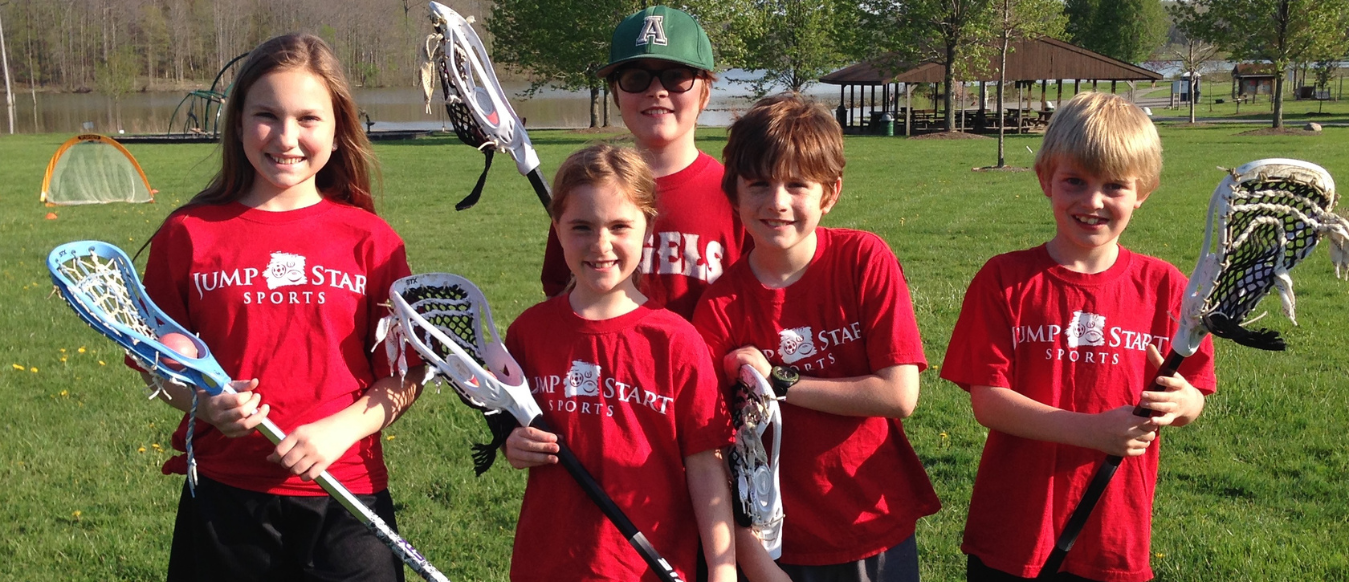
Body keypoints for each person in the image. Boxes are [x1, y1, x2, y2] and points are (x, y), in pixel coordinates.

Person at [132, 33, 423, 582]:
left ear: (337, 132)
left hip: (347, 498)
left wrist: (339, 431)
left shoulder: (372, 240)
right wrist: (201, 398)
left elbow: (405, 376)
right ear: (239, 122)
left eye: (308, 119)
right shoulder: (188, 234)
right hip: (227, 500)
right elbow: (160, 366)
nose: (287, 137)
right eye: (267, 115)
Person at [940, 92, 1218, 582]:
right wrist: (1091, 430)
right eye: (1075, 181)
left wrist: (1184, 402)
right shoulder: (1005, 280)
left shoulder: (1167, 288)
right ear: (1046, 180)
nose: (1093, 202)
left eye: (1114, 186)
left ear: (1143, 191)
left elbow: (1194, 398)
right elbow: (988, 401)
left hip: (1112, 531)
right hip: (1015, 530)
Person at [693, 93, 940, 582]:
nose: (777, 202)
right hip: (780, 543)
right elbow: (712, 454)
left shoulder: (862, 260)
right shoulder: (719, 306)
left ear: (829, 193)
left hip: (872, 523)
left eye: (797, 185)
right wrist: (754, 561)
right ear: (734, 192)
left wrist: (780, 381)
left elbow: (897, 393)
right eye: (759, 184)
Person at [503, 143, 736, 582]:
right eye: (582, 227)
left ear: (647, 227)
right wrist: (513, 446)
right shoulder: (528, 334)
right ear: (556, 226)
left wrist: (723, 572)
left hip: (649, 567)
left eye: (619, 226)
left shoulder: (676, 341)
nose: (601, 244)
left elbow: (706, 465)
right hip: (550, 565)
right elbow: (513, 429)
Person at [540, 5, 749, 320]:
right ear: (615, 93)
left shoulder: (738, 194)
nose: (657, 91)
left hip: (707, 368)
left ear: (705, 92)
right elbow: (561, 298)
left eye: (676, 77)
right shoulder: (588, 193)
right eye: (636, 78)